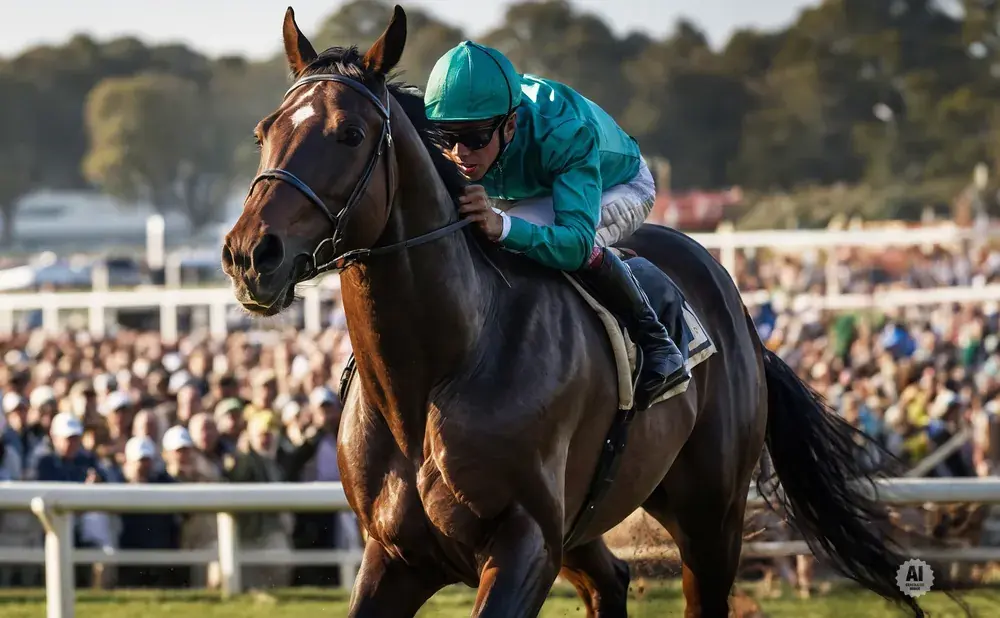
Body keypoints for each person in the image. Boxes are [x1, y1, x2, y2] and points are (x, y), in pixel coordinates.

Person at [424, 41, 690, 407]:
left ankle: (656, 340)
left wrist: (502, 226)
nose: (458, 153)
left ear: (511, 123)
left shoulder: (564, 133)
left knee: (544, 247)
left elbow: (576, 242)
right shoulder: (464, 134)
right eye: (446, 136)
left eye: (474, 137)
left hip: (615, 183)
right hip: (527, 184)